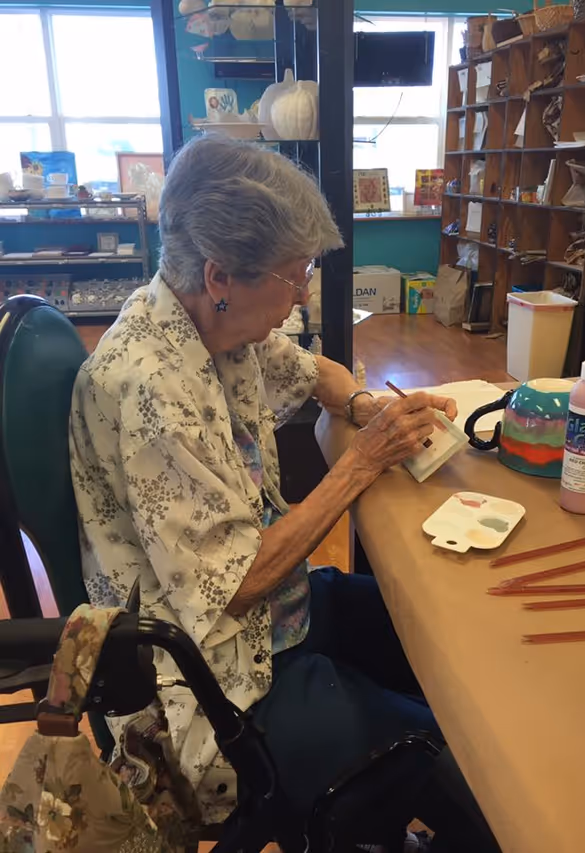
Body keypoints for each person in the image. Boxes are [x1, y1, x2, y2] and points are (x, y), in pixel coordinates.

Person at [69, 134, 500, 852]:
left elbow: (313, 372)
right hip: (207, 678)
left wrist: (365, 407)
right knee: (460, 759)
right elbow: (232, 586)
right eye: (293, 277)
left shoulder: (215, 322)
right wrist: (362, 463)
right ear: (220, 274)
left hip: (272, 617)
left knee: (448, 647)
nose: (302, 294)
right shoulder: (150, 386)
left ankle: (383, 816)